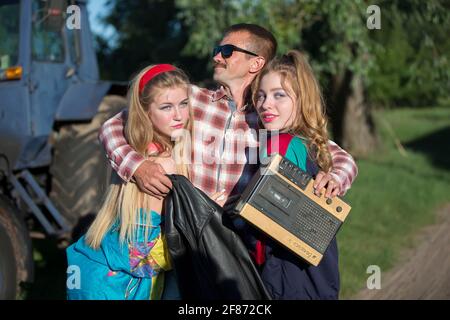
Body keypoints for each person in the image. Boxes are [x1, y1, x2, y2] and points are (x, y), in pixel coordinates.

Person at [98, 24, 358, 209]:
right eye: (216, 49)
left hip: (235, 244)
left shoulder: (270, 118)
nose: (216, 56)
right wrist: (138, 167)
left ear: (255, 63)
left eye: (226, 51)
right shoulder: (192, 100)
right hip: (183, 234)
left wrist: (333, 179)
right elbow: (114, 126)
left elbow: (342, 159)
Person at [66, 64, 193, 300]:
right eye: (166, 107)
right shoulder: (161, 165)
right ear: (145, 112)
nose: (178, 115)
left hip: (97, 271)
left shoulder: (138, 150)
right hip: (115, 287)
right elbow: (139, 256)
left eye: (183, 104)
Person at [250, 50, 345, 299]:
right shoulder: (313, 144)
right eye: (261, 96)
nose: (265, 104)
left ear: (301, 99)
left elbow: (268, 223)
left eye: (279, 95)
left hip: (284, 273)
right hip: (319, 272)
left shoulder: (278, 144)